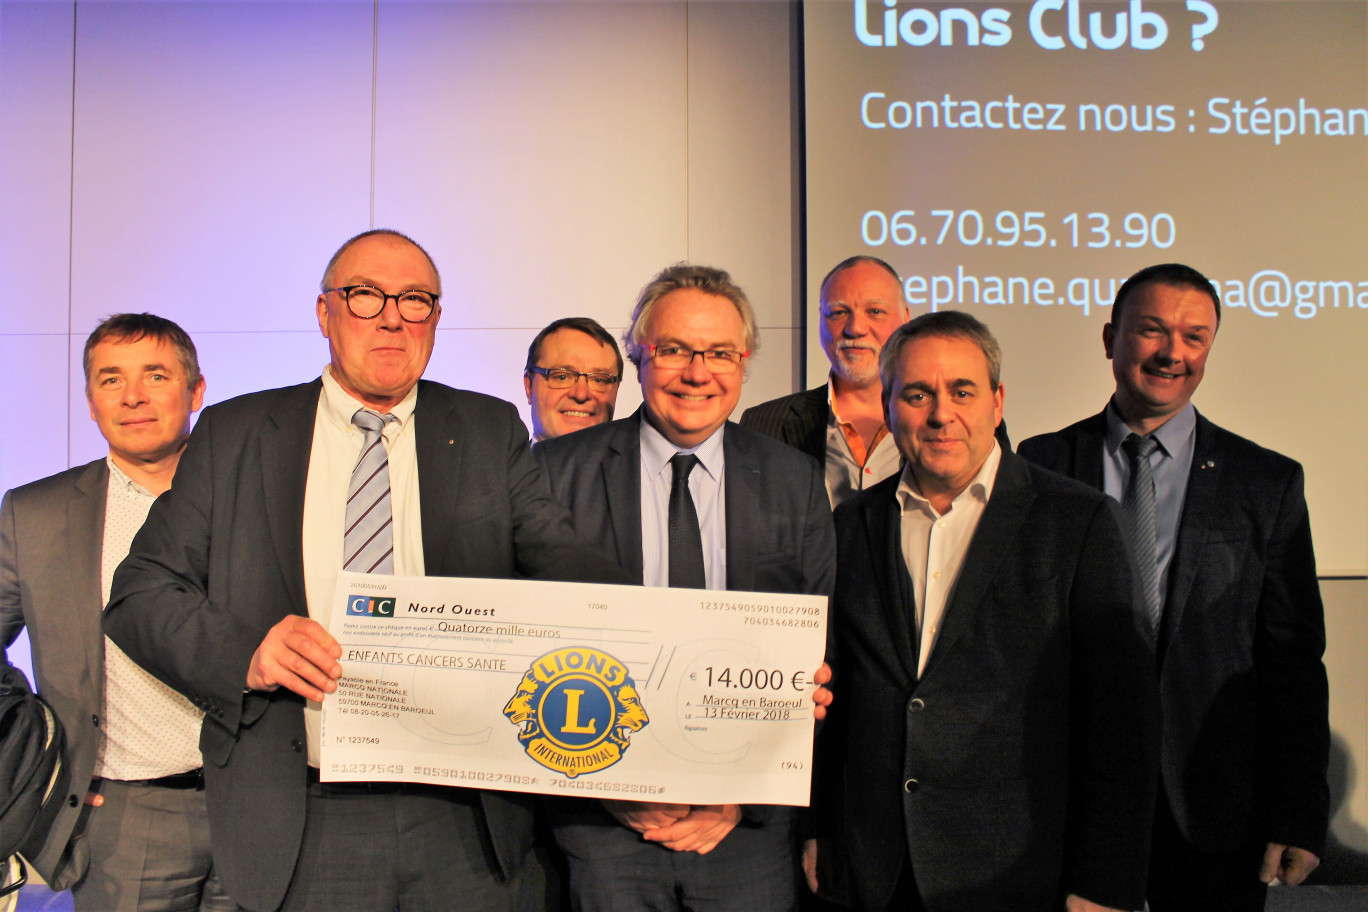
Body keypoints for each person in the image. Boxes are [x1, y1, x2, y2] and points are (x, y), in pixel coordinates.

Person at [102, 230, 631, 912]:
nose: (391, 316)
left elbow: (565, 566)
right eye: (365, 296)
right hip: (302, 813)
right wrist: (250, 654)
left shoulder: (485, 428)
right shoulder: (234, 433)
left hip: (462, 814)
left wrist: (685, 643)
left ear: (436, 319)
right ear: (325, 312)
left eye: (415, 300)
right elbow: (141, 594)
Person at [810, 311, 1159, 912]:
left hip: (1016, 873)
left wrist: (1104, 881)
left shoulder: (1077, 522)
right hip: (873, 870)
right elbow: (833, 698)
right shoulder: (849, 525)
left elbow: (1121, 720)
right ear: (889, 408)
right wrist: (816, 825)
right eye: (917, 394)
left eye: (962, 391)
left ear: (997, 403)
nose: (941, 413)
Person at [1017, 263, 1330, 912]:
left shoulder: (1265, 482)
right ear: (1110, 339)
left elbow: (1292, 660)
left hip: (1210, 808)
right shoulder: (1040, 464)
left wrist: (1297, 810)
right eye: (1152, 331)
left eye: (1195, 337)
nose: (1172, 353)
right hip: (1066, 796)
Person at [534, 264, 835, 912]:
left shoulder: (793, 479)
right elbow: (528, 643)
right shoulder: (556, 474)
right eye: (673, 350)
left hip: (747, 835)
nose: (698, 373)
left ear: (745, 362)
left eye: (719, 353)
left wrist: (737, 796)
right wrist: (612, 786)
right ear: (639, 355)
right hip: (602, 829)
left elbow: (817, 650)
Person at [0, 313, 232, 911]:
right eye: (110, 380)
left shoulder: (252, 503)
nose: (132, 396)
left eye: (155, 375)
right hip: (123, 821)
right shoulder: (36, 514)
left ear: (196, 391)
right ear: (90, 398)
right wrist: (34, 754)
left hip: (257, 807)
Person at [524, 317, 622, 442]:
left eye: (599, 380)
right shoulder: (498, 461)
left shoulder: (640, 460)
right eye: (562, 377)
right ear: (529, 386)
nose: (581, 394)